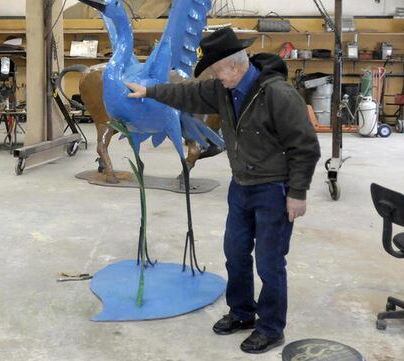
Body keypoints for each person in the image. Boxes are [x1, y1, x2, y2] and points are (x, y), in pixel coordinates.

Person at [125, 27, 321, 354]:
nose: (215, 78)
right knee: (235, 253)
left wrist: (297, 192)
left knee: (269, 263)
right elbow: (186, 93)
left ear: (234, 66)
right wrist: (147, 91)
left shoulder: (278, 95)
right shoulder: (223, 89)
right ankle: (242, 312)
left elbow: (306, 147)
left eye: (217, 71)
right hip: (241, 187)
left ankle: (271, 328)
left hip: (274, 189)